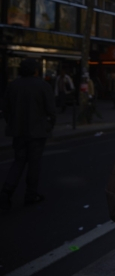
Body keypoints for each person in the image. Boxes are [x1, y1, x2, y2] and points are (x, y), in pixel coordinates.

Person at [0, 58, 56, 211]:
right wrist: (49, 126)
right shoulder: (43, 86)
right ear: (36, 70)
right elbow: (51, 109)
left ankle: (7, 192)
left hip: (18, 130)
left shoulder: (13, 86)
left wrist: (11, 123)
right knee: (34, 163)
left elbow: (5, 108)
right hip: (37, 131)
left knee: (18, 161)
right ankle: (30, 194)